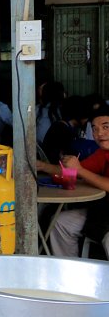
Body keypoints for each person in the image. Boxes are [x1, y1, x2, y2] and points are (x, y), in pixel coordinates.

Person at [37, 107, 109, 258]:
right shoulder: (102, 153)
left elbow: (81, 171)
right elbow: (73, 170)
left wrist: (80, 170)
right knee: (61, 223)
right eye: (95, 129)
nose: (99, 133)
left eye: (106, 127)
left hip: (104, 215)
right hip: (103, 213)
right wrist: (42, 166)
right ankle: (70, 275)